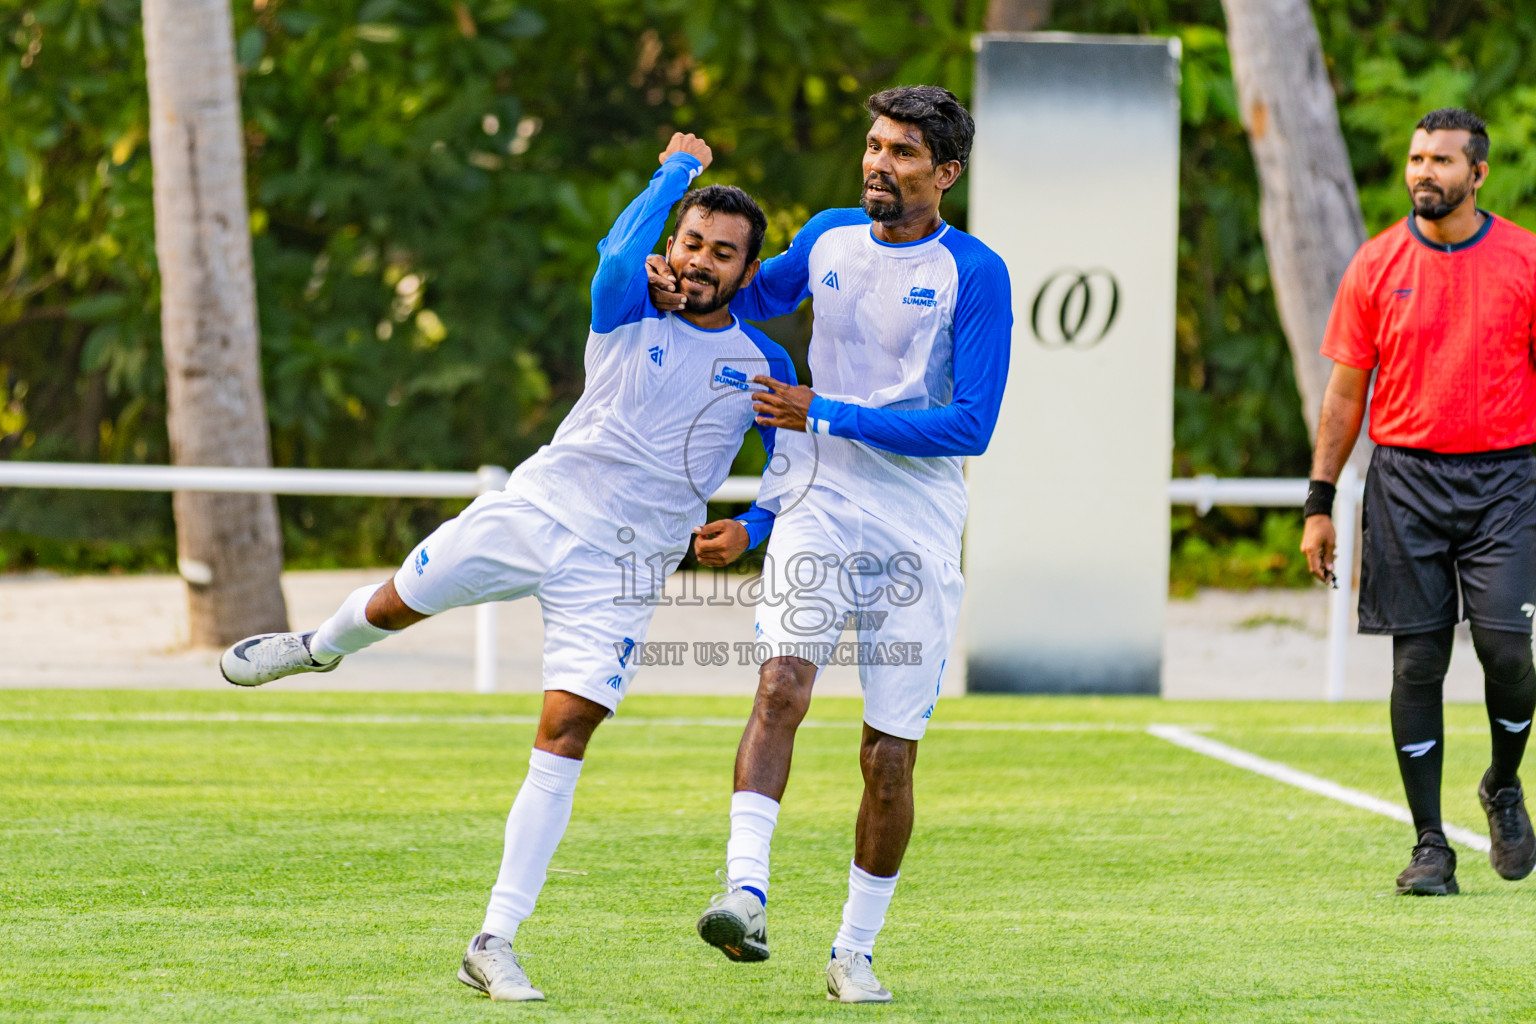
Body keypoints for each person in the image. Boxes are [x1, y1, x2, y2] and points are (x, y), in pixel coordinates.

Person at [219, 133, 798, 1000]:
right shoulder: (628, 304)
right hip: (534, 513)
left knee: (566, 733)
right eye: (691, 242)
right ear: (671, 246)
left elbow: (792, 473)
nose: (703, 260)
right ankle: (318, 646)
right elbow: (613, 254)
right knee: (390, 608)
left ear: (748, 270)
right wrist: (674, 175)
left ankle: (493, 938)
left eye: (724, 251)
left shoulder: (765, 364)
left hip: (627, 568)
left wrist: (750, 527)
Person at [647, 86, 1012, 1001]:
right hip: (818, 498)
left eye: (903, 153)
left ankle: (854, 949)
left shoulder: (977, 272)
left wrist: (827, 410)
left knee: (888, 756)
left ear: (947, 173)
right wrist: (672, 273)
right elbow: (739, 297)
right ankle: (745, 889)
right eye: (874, 145)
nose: (879, 163)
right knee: (779, 683)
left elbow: (970, 427)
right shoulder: (826, 238)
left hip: (918, 524)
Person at [1301, 107, 1536, 896]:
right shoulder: (1374, 264)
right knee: (1418, 662)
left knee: (1508, 652)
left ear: (1478, 174)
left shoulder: (1525, 260)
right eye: (1414, 159)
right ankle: (1431, 845)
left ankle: (1503, 782)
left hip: (1509, 480)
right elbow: (1343, 397)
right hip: (1405, 481)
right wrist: (1320, 500)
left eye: (1440, 161)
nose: (1423, 173)